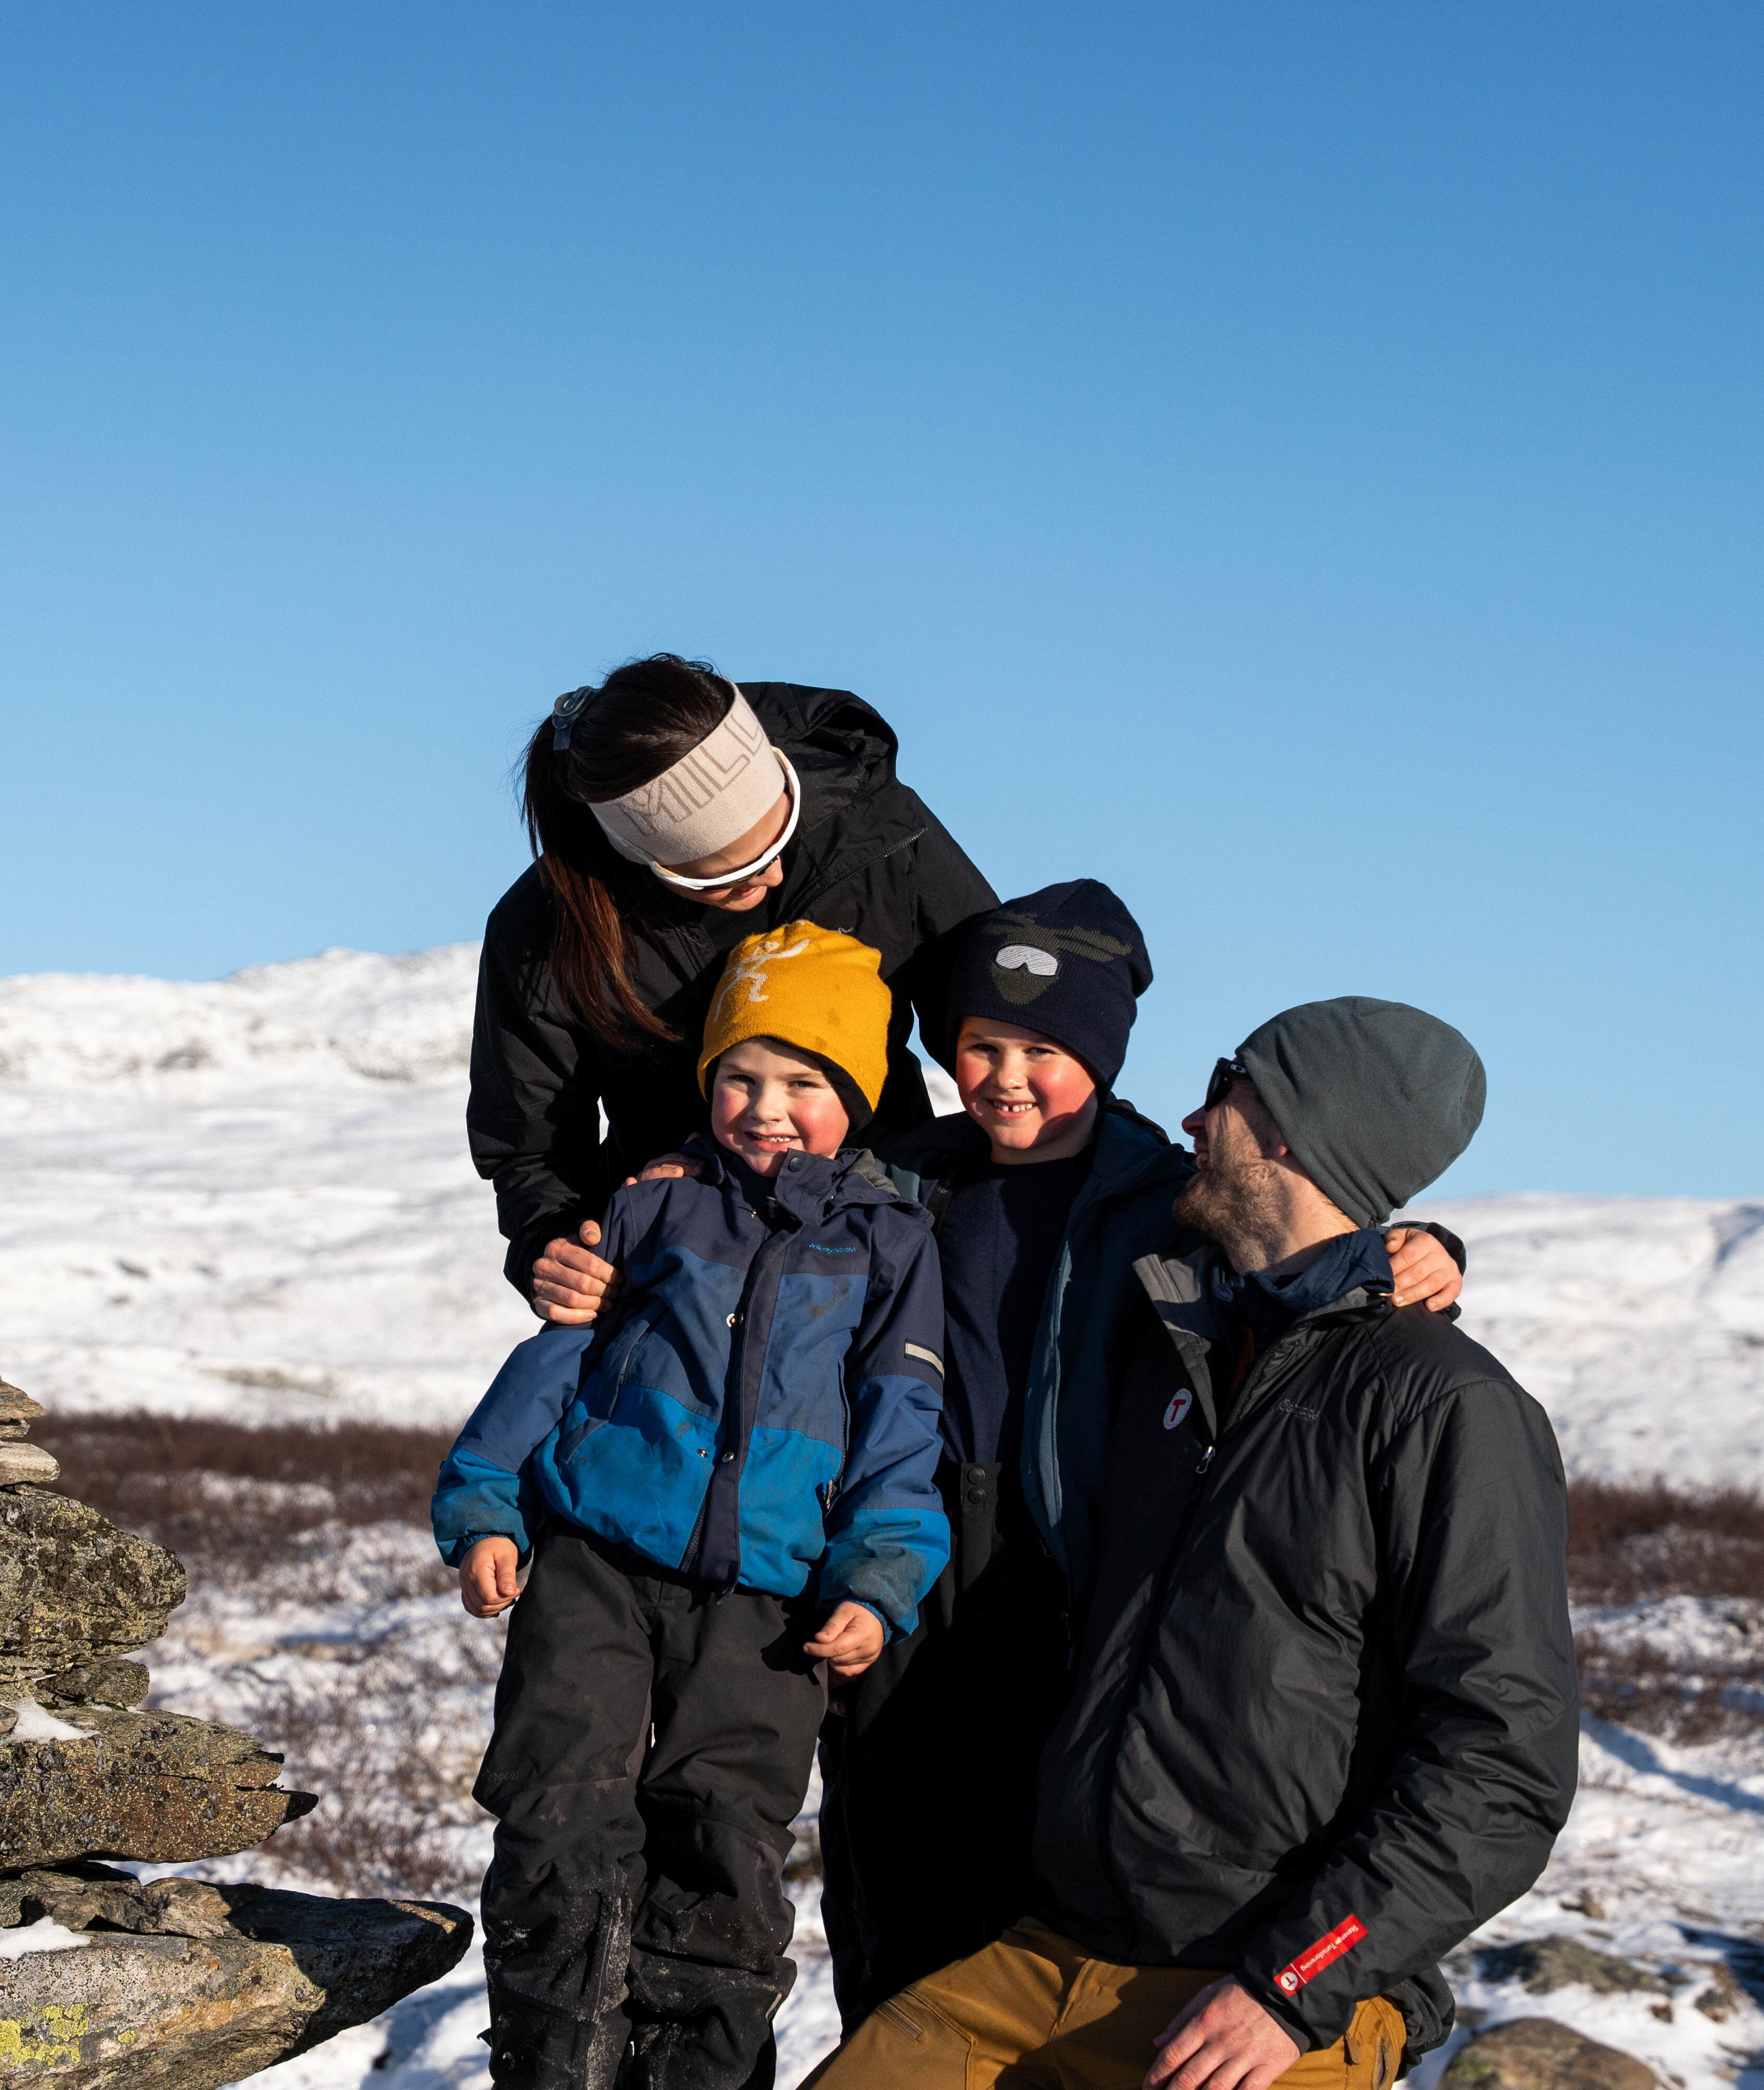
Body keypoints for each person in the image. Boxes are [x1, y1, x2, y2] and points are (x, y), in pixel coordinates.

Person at [802, 997, 1577, 2090]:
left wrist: (1290, 1984)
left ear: (1292, 1134)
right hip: (1062, 1943)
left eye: (1225, 1092)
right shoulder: (1175, 1353)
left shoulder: (1441, 1404)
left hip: (1272, 1985)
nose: (1191, 1115)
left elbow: (1506, 1763)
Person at [433, 922, 951, 2090]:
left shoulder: (890, 1243)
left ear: (857, 1093)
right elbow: (556, 1359)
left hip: (768, 1600)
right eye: (741, 1077)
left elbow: (900, 1423)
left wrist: (878, 1576)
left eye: (804, 1081)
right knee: (558, 1811)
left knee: (723, 1846)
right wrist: (483, 1500)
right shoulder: (653, 1203)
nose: (768, 1107)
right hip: (596, 1566)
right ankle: (551, 2065)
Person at [470, 655, 994, 1314]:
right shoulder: (544, 930)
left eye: (780, 840)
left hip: (885, 1232)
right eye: (731, 874)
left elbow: (1001, 1016)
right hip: (674, 1266)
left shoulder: (875, 828)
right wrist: (552, 1246)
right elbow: (531, 1144)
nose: (771, 877)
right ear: (644, 859)